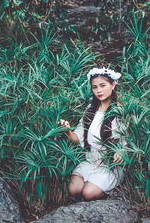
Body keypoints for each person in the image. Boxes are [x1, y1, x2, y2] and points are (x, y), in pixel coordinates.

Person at [59, 67, 126, 201]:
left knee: (87, 193)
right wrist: (67, 130)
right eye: (94, 87)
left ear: (112, 85)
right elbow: (76, 138)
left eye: (103, 85)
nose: (98, 91)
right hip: (90, 161)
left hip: (109, 166)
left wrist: (121, 152)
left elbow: (127, 140)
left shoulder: (120, 111)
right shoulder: (90, 110)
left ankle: (107, 189)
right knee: (73, 190)